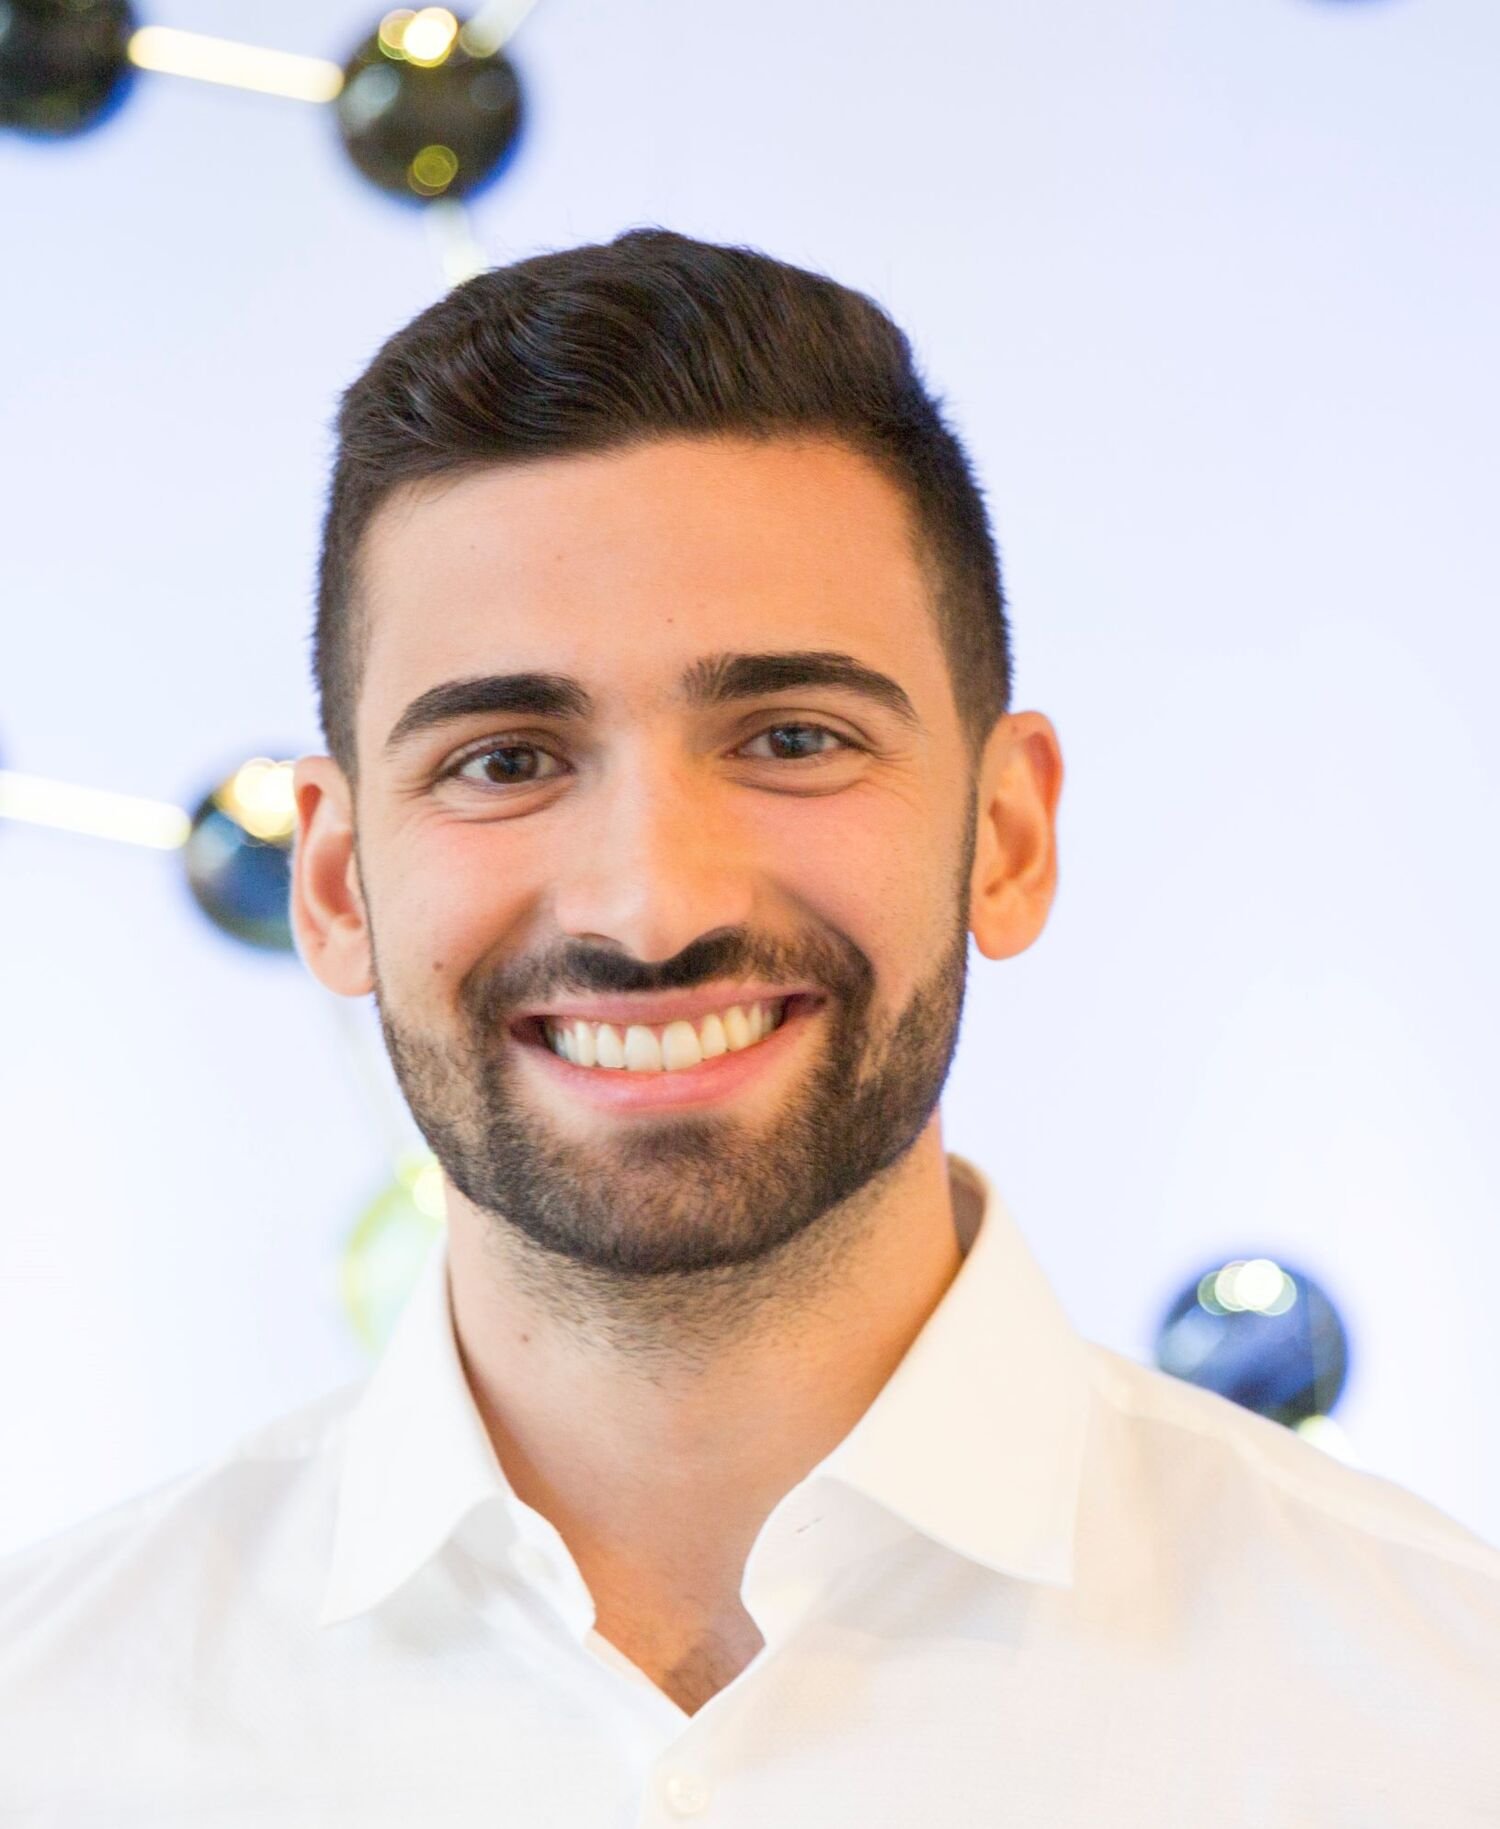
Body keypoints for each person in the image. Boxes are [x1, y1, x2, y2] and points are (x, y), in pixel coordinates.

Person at [2, 227, 1496, 1824]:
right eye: (504, 760)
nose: (650, 908)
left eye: (791, 737)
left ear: (1007, 835)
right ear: (334, 883)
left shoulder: (1442, 1719)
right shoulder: (50, 1734)